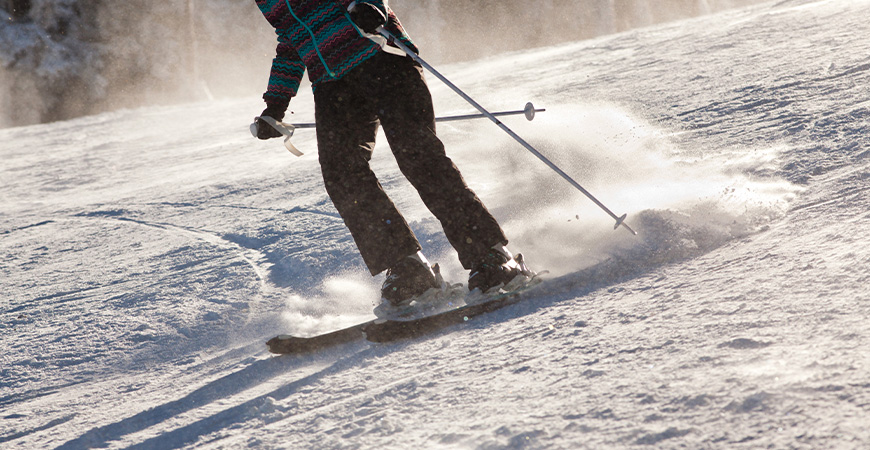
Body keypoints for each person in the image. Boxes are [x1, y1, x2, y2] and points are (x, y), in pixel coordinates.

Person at [253, 0, 530, 307]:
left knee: (418, 157)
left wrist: (371, 6)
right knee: (341, 173)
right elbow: (291, 39)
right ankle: (408, 268)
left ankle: (491, 255)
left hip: (383, 57)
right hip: (333, 86)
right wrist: (276, 103)